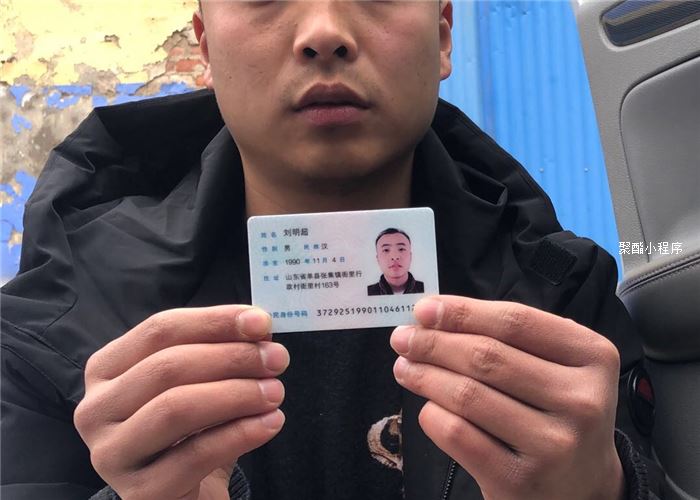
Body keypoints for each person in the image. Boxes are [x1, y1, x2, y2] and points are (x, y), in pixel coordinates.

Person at [0, 2, 665, 500]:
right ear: (204, 45)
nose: (323, 32)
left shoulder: (563, 303)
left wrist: (606, 489)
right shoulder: (54, 329)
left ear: (442, 35)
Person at [368, 228, 425, 296]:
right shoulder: (369, 292)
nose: (394, 256)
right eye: (386, 250)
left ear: (410, 256)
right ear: (378, 259)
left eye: (401, 249)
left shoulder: (426, 289)